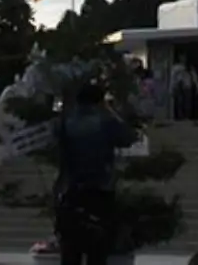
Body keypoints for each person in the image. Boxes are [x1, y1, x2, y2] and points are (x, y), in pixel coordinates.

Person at [54, 81, 138, 265]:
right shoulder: (106, 121)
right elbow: (130, 137)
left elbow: (60, 153)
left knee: (70, 250)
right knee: (97, 249)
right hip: (100, 190)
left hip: (71, 191)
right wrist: (111, 112)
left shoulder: (65, 123)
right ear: (101, 102)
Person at [169, 56, 198, 121]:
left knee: (187, 102)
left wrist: (197, 86)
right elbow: (173, 78)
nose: (183, 59)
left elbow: (194, 77)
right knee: (179, 101)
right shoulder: (176, 67)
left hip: (187, 86)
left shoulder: (189, 67)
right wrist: (172, 88)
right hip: (178, 86)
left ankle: (187, 116)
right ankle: (180, 116)